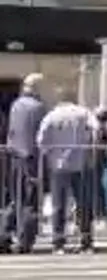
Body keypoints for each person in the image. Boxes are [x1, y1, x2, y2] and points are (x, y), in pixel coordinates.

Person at [37, 87, 99, 254]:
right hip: (80, 164)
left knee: (59, 204)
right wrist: (89, 149)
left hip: (58, 166)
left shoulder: (51, 116)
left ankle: (58, 243)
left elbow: (41, 140)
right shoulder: (83, 113)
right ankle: (86, 241)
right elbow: (96, 129)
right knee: (83, 204)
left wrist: (50, 153)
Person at [0, 73, 47, 254]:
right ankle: (24, 240)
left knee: (14, 199)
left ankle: (3, 235)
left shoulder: (16, 105)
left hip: (13, 156)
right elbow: (41, 136)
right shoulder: (38, 108)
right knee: (29, 201)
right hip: (30, 158)